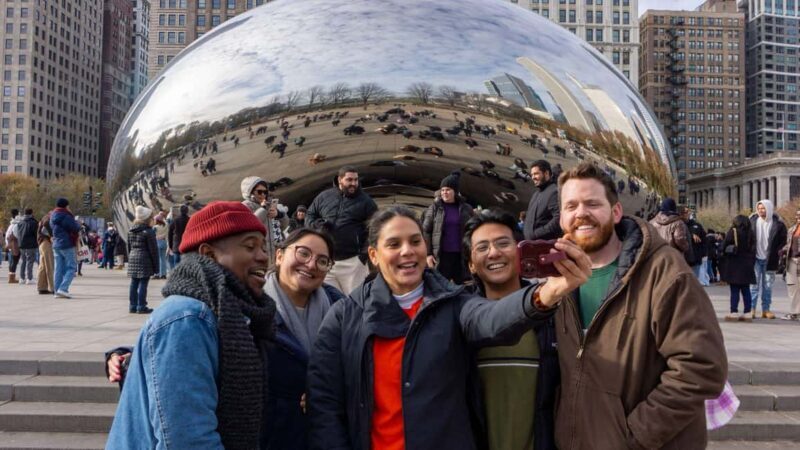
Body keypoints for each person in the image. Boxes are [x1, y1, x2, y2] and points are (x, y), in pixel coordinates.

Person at [307, 206, 590, 450]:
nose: (407, 251)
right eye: (393, 244)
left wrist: (547, 293)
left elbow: (492, 319)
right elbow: (325, 404)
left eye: (415, 241)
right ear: (374, 255)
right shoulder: (345, 316)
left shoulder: (454, 304)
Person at [106, 227, 345, 449]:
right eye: (303, 253)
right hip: (268, 435)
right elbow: (184, 353)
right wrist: (128, 356)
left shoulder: (340, 310)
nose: (311, 264)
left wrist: (328, 395)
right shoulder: (244, 309)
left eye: (323, 261)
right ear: (280, 256)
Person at [552, 163, 727, 449]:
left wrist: (632, 437)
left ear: (616, 212)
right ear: (561, 217)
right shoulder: (558, 280)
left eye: (592, 203)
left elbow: (701, 368)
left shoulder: (665, 271)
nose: (580, 213)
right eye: (571, 205)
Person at [106, 201, 277, 448]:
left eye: (263, 247)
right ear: (208, 254)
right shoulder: (186, 318)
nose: (263, 256)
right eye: (250, 246)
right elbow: (187, 439)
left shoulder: (234, 315)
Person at [463, 209, 559, 450]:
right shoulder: (458, 319)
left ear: (520, 252)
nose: (494, 253)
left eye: (503, 243)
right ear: (471, 266)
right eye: (482, 247)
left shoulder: (554, 315)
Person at [306, 166, 378, 294]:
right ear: (340, 180)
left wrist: (362, 256)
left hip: (352, 263)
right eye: (349, 180)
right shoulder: (324, 196)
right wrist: (317, 225)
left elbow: (375, 229)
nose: (353, 184)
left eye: (356, 180)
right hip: (326, 262)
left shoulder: (366, 202)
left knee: (356, 301)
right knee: (330, 301)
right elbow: (310, 215)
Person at [422, 172, 473, 284]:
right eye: (443, 190)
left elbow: (472, 231)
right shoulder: (434, 208)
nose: (445, 192)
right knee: (440, 285)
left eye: (448, 190)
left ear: (455, 192)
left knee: (464, 287)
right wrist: (428, 254)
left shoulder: (466, 209)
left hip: (461, 256)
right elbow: (426, 231)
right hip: (441, 256)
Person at [749, 199, 787, 319]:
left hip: (770, 259)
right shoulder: (752, 221)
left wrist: (779, 252)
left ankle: (766, 309)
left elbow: (783, 241)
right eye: (759, 208)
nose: (761, 211)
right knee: (753, 286)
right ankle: (752, 309)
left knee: (768, 286)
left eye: (763, 208)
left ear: (769, 209)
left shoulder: (779, 224)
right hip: (755, 259)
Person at [720, 215, 756, 322]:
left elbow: (724, 245)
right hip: (747, 264)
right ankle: (747, 312)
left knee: (734, 290)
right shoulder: (751, 233)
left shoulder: (733, 231)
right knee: (746, 290)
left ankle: (734, 312)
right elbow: (753, 249)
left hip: (735, 264)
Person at [241, 176, 284, 264]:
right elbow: (251, 223)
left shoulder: (269, 204)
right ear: (250, 192)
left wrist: (279, 214)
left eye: (265, 192)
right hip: (261, 252)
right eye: (259, 192)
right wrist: (263, 209)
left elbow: (285, 225)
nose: (263, 195)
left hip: (277, 248)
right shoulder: (245, 206)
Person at [127, 206, 159, 314]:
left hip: (133, 257)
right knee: (143, 282)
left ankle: (132, 305)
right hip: (144, 259)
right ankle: (141, 306)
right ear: (147, 219)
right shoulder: (149, 232)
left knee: (134, 282)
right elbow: (153, 250)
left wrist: (130, 258)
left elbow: (128, 247)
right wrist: (156, 267)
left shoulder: (131, 230)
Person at [523, 160, 562, 241]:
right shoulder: (536, 194)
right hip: (530, 243)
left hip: (543, 245)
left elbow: (559, 218)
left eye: (536, 174)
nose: (533, 177)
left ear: (546, 173)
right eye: (532, 174)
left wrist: (536, 234)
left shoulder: (554, 192)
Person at [50, 198, 81, 299]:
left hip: (56, 244)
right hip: (67, 244)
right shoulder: (66, 215)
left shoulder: (53, 215)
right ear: (66, 206)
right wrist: (78, 223)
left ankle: (57, 290)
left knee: (58, 268)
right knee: (71, 267)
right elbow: (75, 228)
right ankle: (63, 289)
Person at [781, 209, 800, 321]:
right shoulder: (792, 229)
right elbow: (789, 244)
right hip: (792, 261)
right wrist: (783, 250)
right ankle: (794, 312)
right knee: (792, 287)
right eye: (797, 215)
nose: (798, 218)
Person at [682, 207, 707, 284]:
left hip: (695, 258)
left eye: (687, 212)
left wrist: (702, 254)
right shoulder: (678, 224)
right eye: (684, 212)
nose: (686, 214)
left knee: (694, 282)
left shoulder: (697, 225)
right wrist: (691, 235)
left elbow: (705, 240)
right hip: (682, 258)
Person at [15, 208, 39, 285]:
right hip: (31, 244)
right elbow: (36, 234)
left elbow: (17, 233)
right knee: (30, 261)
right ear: (31, 213)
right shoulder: (34, 222)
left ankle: (21, 278)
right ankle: (29, 278)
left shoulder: (20, 222)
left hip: (21, 244)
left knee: (23, 261)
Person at [36, 212, 55, 295]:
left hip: (42, 243)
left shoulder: (45, 217)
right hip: (46, 242)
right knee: (49, 265)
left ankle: (41, 287)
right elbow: (47, 223)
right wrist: (52, 235)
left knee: (43, 266)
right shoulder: (48, 218)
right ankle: (52, 288)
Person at [5, 209, 21, 284]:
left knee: (12, 261)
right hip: (15, 244)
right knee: (14, 261)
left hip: (10, 244)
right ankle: (12, 278)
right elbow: (16, 235)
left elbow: (7, 235)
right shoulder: (16, 224)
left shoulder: (11, 224)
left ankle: (11, 277)